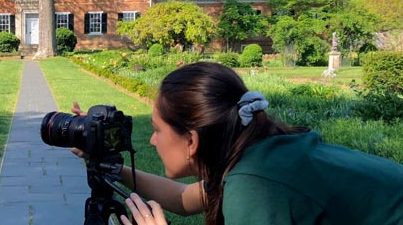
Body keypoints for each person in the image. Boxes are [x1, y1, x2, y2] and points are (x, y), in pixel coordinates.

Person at [71, 62, 403, 225]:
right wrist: (112, 166)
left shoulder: (256, 191)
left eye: (157, 130)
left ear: (191, 141)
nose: (152, 139)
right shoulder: (256, 153)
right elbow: (187, 199)